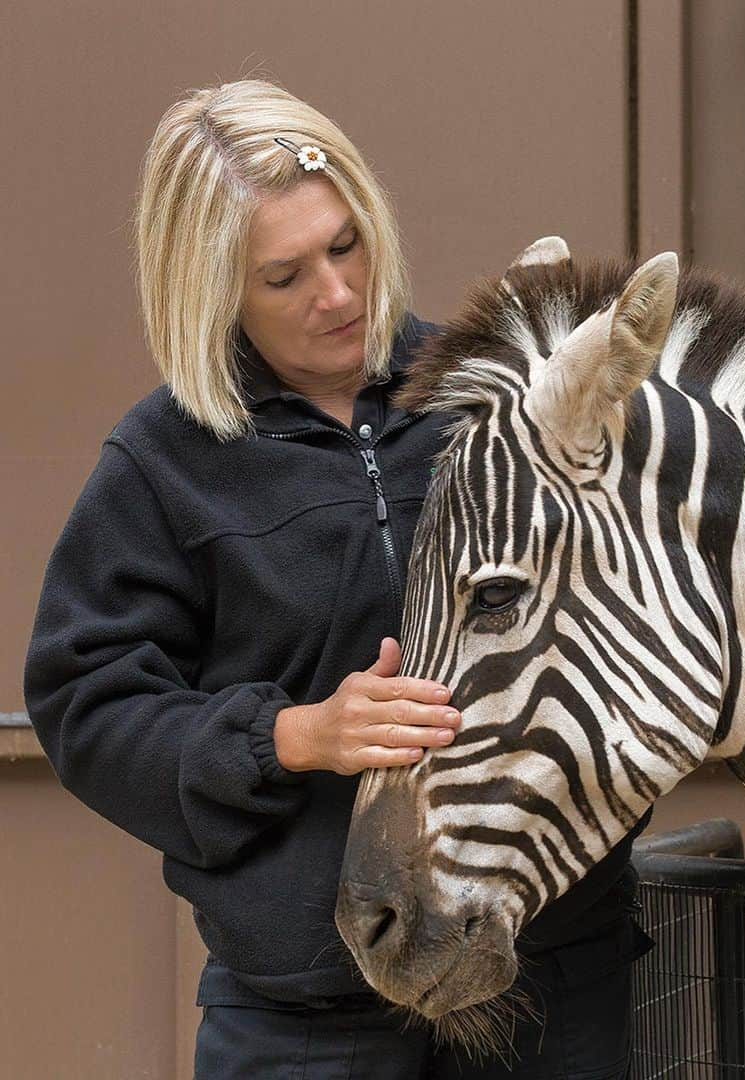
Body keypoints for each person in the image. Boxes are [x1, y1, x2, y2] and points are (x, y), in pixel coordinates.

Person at [23, 78, 652, 1079]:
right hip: (308, 1022)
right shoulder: (161, 464)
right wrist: (294, 737)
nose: (339, 294)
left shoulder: (482, 405)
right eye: (284, 277)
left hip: (549, 993)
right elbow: (85, 704)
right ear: (211, 287)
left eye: (345, 246)